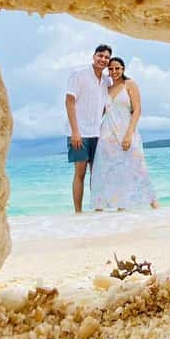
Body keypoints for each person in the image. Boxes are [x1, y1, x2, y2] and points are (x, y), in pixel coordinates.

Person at [90, 57, 159, 210]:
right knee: (108, 170)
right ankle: (111, 209)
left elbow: (137, 110)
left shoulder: (130, 84)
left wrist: (129, 134)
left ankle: (156, 208)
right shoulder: (106, 89)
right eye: (111, 69)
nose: (114, 71)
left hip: (126, 131)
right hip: (107, 135)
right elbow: (100, 113)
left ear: (123, 69)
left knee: (138, 168)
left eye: (117, 68)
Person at [65, 44, 112, 213]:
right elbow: (69, 101)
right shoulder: (79, 74)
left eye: (106, 57)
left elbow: (106, 105)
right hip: (80, 133)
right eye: (100, 55)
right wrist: (75, 132)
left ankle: (97, 210)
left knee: (96, 174)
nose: (103, 59)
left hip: (97, 133)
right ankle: (78, 212)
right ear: (94, 56)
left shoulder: (106, 81)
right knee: (80, 173)